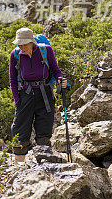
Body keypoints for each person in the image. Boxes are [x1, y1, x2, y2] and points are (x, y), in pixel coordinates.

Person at [8, 27, 68, 163]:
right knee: (20, 133)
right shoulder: (15, 55)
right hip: (25, 95)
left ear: (32, 42)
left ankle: (44, 165)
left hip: (44, 95)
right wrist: (17, 100)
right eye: (19, 44)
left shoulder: (46, 51)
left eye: (24, 44)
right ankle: (19, 168)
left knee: (44, 132)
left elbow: (56, 70)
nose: (21, 47)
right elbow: (12, 79)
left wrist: (60, 80)